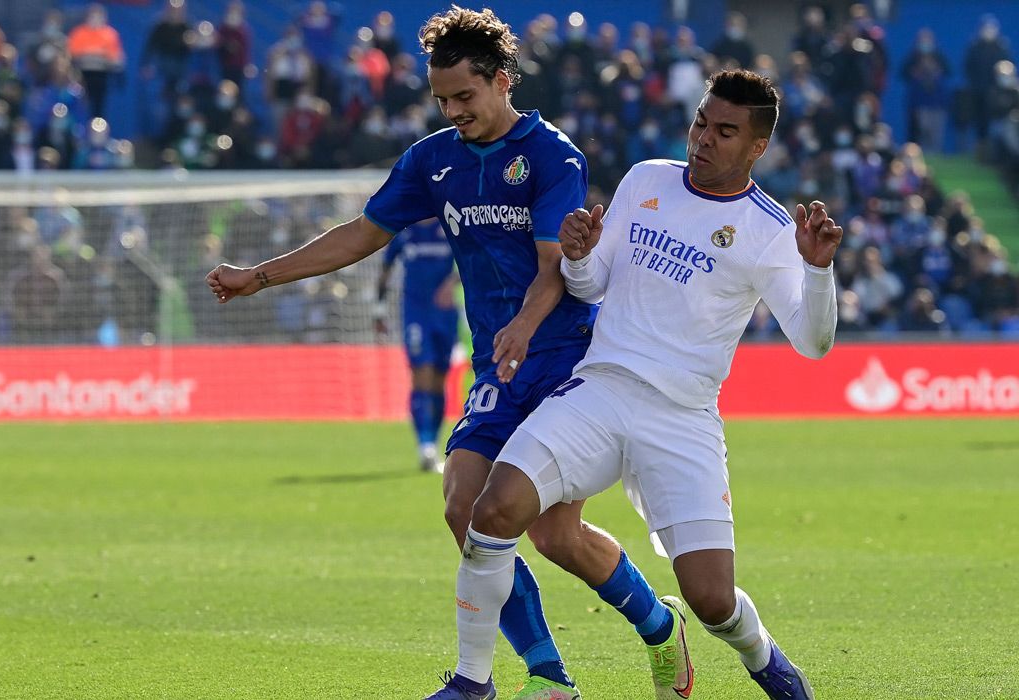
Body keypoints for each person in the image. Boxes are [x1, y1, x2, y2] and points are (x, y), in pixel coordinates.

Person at [208, 8, 686, 700]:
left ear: (501, 81)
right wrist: (260, 275)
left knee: (555, 535)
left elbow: (557, 263)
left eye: (465, 97)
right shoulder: (434, 160)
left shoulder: (553, 155)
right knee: (463, 502)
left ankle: (657, 626)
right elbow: (362, 234)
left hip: (566, 363)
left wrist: (523, 324)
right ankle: (546, 676)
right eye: (442, 101)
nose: (454, 111)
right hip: (501, 366)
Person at [448, 69, 840, 700]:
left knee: (712, 601)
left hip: (682, 417)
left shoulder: (769, 229)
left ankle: (764, 658)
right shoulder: (646, 179)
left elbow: (813, 343)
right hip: (600, 390)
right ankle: (474, 683)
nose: (704, 139)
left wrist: (818, 271)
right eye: (701, 122)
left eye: (725, 131)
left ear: (757, 147)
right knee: (490, 511)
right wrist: (579, 253)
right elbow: (588, 286)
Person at [374, 217, 460, 473]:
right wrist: (378, 312)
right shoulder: (404, 232)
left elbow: (474, 258)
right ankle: (425, 446)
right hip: (415, 314)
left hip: (445, 314)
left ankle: (432, 444)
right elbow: (385, 271)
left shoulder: (449, 226)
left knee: (438, 380)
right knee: (421, 375)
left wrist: (451, 283)